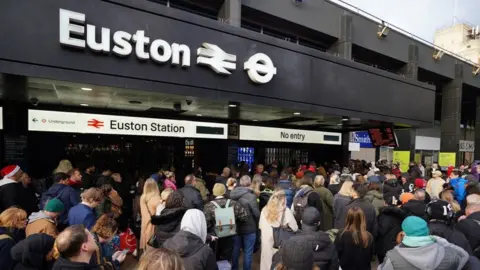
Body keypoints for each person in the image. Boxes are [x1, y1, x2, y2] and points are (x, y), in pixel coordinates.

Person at [379, 216, 470, 270]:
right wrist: (438, 239)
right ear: (427, 231)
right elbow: (464, 255)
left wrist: (398, 245)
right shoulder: (449, 254)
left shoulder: (393, 256)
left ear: (404, 233)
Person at [204, 183, 248, 265]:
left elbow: (206, 224)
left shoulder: (208, 206)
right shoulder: (234, 203)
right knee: (227, 260)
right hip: (230, 235)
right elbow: (244, 217)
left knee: (215, 259)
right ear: (224, 192)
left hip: (215, 237)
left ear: (214, 193)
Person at [53, 225, 126, 269]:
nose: (93, 236)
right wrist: (116, 262)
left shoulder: (63, 262)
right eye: (90, 235)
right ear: (84, 247)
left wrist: (112, 259)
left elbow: (96, 267)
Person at [259, 189, 298, 270]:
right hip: (279, 243)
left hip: (266, 241)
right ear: (283, 198)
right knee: (277, 263)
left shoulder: (264, 210)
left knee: (266, 262)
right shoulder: (285, 211)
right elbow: (295, 228)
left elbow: (260, 226)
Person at [229, 175, 259, 270]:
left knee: (235, 251)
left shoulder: (231, 194)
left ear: (240, 183)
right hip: (249, 228)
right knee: (248, 252)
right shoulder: (251, 196)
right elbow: (256, 214)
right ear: (250, 183)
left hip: (235, 227)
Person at [376, 198, 407, 263]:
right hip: (396, 245)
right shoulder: (402, 216)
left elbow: (380, 231)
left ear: (385, 203)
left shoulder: (381, 215)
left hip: (382, 246)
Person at [139, 179, 161, 251]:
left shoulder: (143, 198)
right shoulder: (158, 199)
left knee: (147, 247)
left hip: (145, 225)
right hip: (154, 226)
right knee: (153, 248)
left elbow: (145, 215)